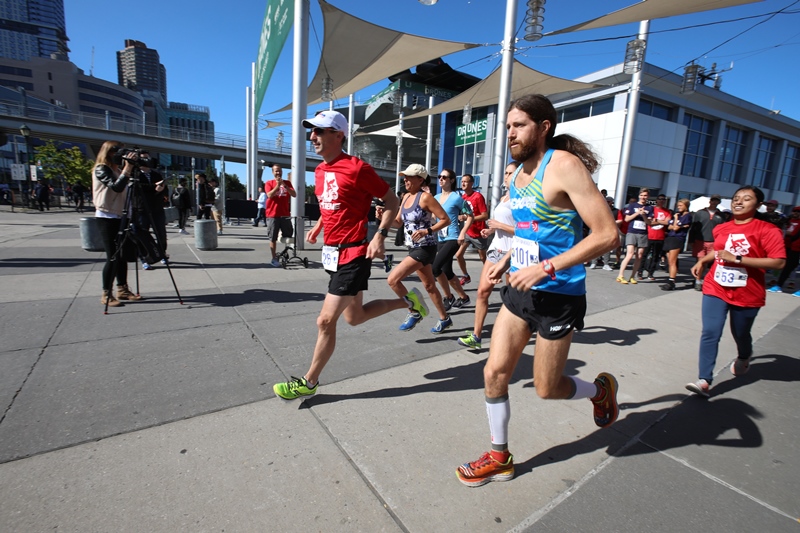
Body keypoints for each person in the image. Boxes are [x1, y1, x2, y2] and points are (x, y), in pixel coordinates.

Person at [456, 94, 619, 487]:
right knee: (494, 372)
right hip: (519, 291)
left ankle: (599, 390)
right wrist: (509, 260)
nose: (510, 132)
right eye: (508, 126)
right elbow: (531, 230)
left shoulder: (563, 166)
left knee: (548, 389)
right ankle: (500, 457)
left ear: (544, 127)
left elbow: (607, 234)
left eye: (519, 125)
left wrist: (546, 267)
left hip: (559, 296)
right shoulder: (517, 176)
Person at [272, 110, 422, 400]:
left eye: (319, 131)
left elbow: (391, 201)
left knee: (325, 321)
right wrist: (318, 228)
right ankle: (408, 301)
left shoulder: (357, 169)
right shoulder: (318, 171)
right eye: (311, 132)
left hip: (354, 253)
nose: (312, 137)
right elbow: (331, 205)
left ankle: (309, 381)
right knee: (355, 317)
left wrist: (379, 235)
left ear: (338, 135)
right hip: (332, 253)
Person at [686, 186, 785, 397]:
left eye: (746, 199)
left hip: (748, 292)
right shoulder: (722, 227)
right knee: (711, 331)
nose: (738, 202)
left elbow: (778, 262)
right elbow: (719, 250)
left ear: (758, 205)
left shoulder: (768, 230)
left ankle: (744, 356)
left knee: (740, 333)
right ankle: (704, 379)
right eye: (736, 198)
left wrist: (738, 259)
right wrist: (703, 260)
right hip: (716, 286)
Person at [457, 162, 518, 350]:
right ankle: (476, 336)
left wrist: (500, 227)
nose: (507, 176)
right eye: (506, 172)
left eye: (511, 173)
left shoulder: (523, 199)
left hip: (513, 253)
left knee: (513, 299)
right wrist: (490, 231)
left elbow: (526, 232)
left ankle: (513, 337)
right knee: (482, 292)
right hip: (495, 249)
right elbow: (501, 224)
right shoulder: (504, 197)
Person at [387, 164, 452, 333]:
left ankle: (414, 311)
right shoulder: (406, 197)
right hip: (413, 247)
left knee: (393, 280)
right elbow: (398, 223)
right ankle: (445, 319)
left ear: (420, 179)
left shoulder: (425, 198)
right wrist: (383, 219)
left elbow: (445, 219)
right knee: (430, 286)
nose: (405, 180)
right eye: (405, 177)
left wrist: (427, 230)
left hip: (425, 247)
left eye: (409, 177)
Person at [92, 140, 143, 307]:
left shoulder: (118, 170)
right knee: (113, 256)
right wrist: (127, 169)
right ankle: (106, 293)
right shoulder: (101, 169)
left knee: (122, 255)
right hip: (106, 216)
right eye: (119, 153)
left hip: (121, 216)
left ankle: (122, 289)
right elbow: (116, 187)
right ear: (109, 153)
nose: (122, 156)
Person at [432, 168, 473, 311]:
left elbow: (470, 216)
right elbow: (433, 218)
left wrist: (463, 232)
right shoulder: (435, 198)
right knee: (447, 270)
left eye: (444, 177)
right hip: (441, 237)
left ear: (451, 180)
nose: (441, 179)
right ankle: (464, 297)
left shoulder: (456, 198)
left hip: (453, 237)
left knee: (435, 268)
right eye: (439, 177)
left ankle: (448, 297)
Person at [133, 151, 168, 271]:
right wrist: (154, 187)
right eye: (142, 159)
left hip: (157, 208)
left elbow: (164, 189)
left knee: (161, 233)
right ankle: (144, 258)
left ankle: (161, 253)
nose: (146, 161)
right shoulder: (135, 174)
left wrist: (161, 190)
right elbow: (137, 189)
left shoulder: (156, 174)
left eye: (147, 159)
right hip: (141, 209)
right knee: (143, 234)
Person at [454, 173, 489, 286]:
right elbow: (461, 214)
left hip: (479, 232)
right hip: (468, 231)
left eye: (466, 181)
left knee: (483, 257)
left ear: (472, 184)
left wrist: (469, 218)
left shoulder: (478, 197)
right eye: (462, 181)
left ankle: (489, 274)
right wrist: (460, 217)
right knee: (458, 255)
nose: (463, 183)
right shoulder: (463, 198)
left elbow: (485, 216)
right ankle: (465, 276)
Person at [616, 188, 653, 285]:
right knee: (630, 253)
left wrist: (644, 215)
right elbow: (627, 219)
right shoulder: (632, 206)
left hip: (643, 233)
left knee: (639, 255)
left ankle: (632, 276)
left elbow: (649, 222)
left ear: (648, 197)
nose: (643, 197)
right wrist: (637, 213)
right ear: (639, 195)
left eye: (645, 195)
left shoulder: (649, 208)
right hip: (632, 232)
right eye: (642, 195)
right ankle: (620, 275)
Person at [689, 194, 725, 290]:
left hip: (713, 242)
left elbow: (722, 230)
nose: (714, 202)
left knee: (707, 263)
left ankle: (699, 278)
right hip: (700, 241)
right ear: (710, 201)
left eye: (716, 200)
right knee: (700, 261)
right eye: (713, 200)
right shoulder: (700, 213)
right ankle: (697, 281)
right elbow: (693, 228)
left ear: (719, 202)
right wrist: (691, 240)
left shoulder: (721, 215)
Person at [264, 164, 297, 266]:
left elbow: (294, 194)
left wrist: (285, 186)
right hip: (272, 214)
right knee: (272, 238)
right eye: (276, 171)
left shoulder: (287, 183)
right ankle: (274, 258)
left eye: (280, 171)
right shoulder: (269, 183)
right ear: (273, 172)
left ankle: (285, 254)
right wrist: (278, 185)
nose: (278, 173)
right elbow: (269, 195)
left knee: (288, 235)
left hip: (284, 214)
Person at [660, 198, 693, 291]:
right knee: (669, 262)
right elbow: (670, 226)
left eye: (680, 205)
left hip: (677, 239)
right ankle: (670, 280)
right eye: (678, 206)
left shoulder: (687, 216)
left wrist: (676, 219)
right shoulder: (678, 215)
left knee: (672, 261)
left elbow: (675, 228)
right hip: (670, 238)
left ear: (686, 206)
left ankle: (672, 281)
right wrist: (675, 221)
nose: (678, 207)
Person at [767, 205, 800, 295]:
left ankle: (790, 283)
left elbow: (794, 235)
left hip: (795, 247)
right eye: (795, 211)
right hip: (788, 246)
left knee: (792, 268)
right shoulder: (788, 220)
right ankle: (778, 284)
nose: (796, 213)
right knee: (784, 266)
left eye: (798, 212)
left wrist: (788, 233)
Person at [638, 193, 671, 280]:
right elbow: (649, 222)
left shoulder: (667, 211)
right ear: (656, 200)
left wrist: (657, 220)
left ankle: (650, 273)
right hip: (649, 235)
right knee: (644, 255)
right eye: (660, 199)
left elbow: (667, 222)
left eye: (663, 199)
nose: (661, 200)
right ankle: (640, 272)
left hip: (660, 237)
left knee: (656, 256)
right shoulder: (651, 209)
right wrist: (660, 221)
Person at [589, 196, 617, 271]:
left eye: (609, 201)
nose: (607, 203)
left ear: (612, 202)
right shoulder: (598, 208)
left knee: (607, 247)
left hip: (608, 230)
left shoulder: (615, 211)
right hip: (596, 229)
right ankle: (594, 262)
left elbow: (619, 220)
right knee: (595, 247)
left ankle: (606, 264)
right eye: (606, 201)